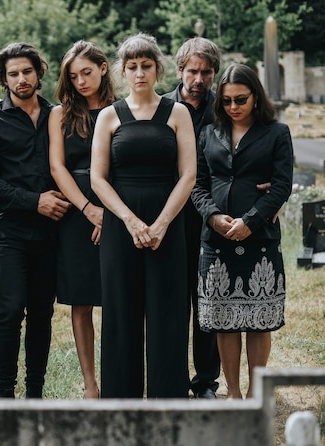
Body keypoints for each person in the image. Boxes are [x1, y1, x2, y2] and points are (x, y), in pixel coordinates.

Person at [90, 33, 196, 398]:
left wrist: (162, 223)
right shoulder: (108, 116)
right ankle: (121, 402)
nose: (139, 73)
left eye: (146, 66)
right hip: (122, 226)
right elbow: (97, 179)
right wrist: (131, 222)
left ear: (158, 69)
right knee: (121, 312)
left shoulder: (177, 113)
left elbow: (189, 175)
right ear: (121, 71)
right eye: (132, 67)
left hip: (168, 223)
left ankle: (169, 402)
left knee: (168, 311)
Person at [0, 42, 71, 399]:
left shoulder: (57, 115)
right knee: (10, 310)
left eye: (26, 71)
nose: (21, 79)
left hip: (51, 231)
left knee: (42, 312)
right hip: (8, 231)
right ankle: (3, 393)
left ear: (38, 72)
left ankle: (35, 394)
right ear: (3, 79)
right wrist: (34, 202)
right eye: (13, 74)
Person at [191, 63, 293, 399]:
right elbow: (197, 184)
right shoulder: (208, 133)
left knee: (258, 319)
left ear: (256, 97)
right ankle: (233, 392)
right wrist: (212, 216)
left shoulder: (276, 133)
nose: (233, 107)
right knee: (224, 318)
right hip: (216, 238)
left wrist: (251, 220)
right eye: (227, 101)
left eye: (241, 99)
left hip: (260, 236)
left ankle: (254, 393)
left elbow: (281, 185)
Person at [48, 40, 115, 399]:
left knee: (120, 298)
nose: (80, 82)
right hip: (77, 215)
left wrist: (110, 216)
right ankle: (90, 385)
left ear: (103, 68)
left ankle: (120, 377)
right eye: (73, 77)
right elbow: (58, 167)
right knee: (82, 301)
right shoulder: (60, 114)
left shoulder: (123, 110)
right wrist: (89, 211)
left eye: (86, 73)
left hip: (118, 211)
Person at [163, 37, 222, 399]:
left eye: (206, 73)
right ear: (179, 69)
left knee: (207, 304)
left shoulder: (224, 109)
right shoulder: (160, 107)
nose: (198, 79)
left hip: (211, 216)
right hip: (169, 216)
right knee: (170, 303)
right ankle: (170, 379)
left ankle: (205, 383)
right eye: (192, 71)